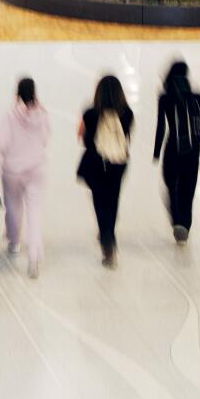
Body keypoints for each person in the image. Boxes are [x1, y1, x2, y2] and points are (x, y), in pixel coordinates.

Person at [0, 78, 51, 277]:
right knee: (35, 213)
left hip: (12, 171)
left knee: (13, 208)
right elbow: (45, 139)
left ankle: (14, 241)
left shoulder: (9, 115)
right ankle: (34, 255)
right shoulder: (43, 114)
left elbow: (2, 142)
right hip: (36, 169)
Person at [77, 75, 134, 268]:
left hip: (96, 163)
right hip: (118, 163)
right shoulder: (127, 113)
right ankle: (109, 234)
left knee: (99, 200)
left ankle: (106, 236)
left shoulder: (90, 114)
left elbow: (85, 140)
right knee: (113, 199)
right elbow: (126, 137)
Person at [153, 61, 200, 244]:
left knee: (171, 185)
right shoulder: (197, 98)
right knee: (189, 187)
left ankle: (176, 219)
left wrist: (156, 152)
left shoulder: (165, 98)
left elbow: (161, 126)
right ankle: (185, 224)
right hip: (192, 150)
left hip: (172, 149)